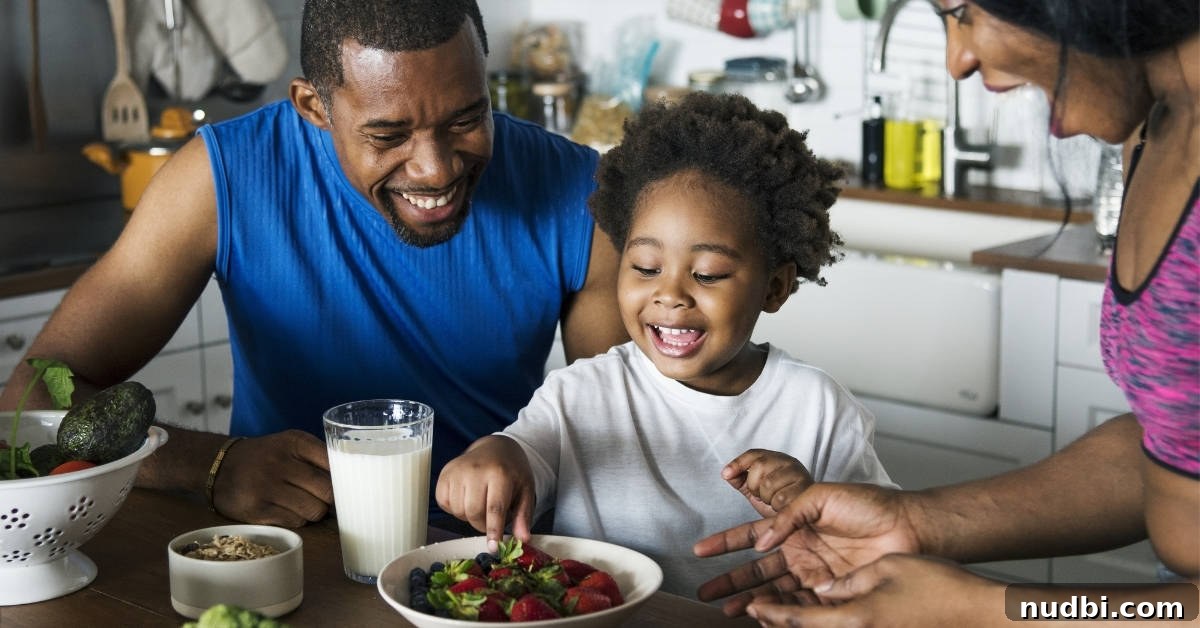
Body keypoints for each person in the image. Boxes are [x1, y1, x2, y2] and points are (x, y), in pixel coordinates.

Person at [0, 0, 627, 528]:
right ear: (313, 106)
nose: (436, 169)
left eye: (467, 119)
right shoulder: (221, 180)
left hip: (490, 564)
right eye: (388, 136)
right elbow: (29, 396)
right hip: (295, 553)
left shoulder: (582, 193)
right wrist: (211, 465)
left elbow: (625, 430)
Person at [693, 0, 1199, 625]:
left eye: (962, 11)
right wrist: (915, 522)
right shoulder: (1158, 131)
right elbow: (1174, 437)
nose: (956, 60)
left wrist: (985, 611)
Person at [435, 92, 895, 598]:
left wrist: (812, 503)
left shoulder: (821, 412)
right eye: (646, 268)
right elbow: (523, 455)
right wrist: (492, 456)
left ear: (775, 288)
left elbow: (885, 554)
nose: (670, 294)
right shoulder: (580, 393)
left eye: (708, 274)